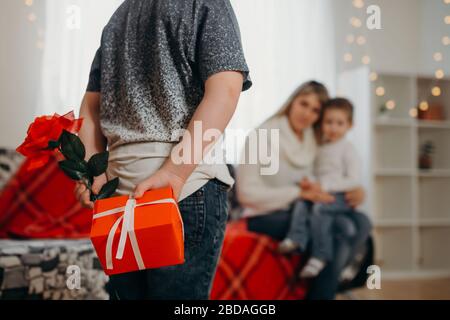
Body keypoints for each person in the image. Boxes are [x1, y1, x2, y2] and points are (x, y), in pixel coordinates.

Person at [74, 0, 252, 300]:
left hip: (118, 197)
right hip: (184, 190)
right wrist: (175, 172)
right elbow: (225, 89)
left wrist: (92, 169)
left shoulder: (119, 16)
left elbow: (90, 108)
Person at [236, 81, 367, 300]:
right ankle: (324, 293)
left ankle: (327, 286)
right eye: (303, 104)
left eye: (315, 110)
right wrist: (298, 193)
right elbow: (246, 195)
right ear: (292, 102)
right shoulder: (262, 136)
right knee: (342, 228)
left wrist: (357, 190)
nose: (307, 114)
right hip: (263, 214)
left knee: (362, 221)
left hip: (302, 208)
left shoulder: (312, 141)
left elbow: (327, 177)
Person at [279, 98, 372, 278]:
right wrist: (310, 182)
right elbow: (317, 172)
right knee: (303, 202)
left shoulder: (347, 149)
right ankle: (296, 238)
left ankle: (319, 256)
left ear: (349, 125)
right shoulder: (321, 148)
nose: (333, 128)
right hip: (320, 191)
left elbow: (353, 179)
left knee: (320, 209)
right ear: (322, 124)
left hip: (340, 197)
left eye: (340, 123)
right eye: (329, 122)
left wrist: (326, 186)